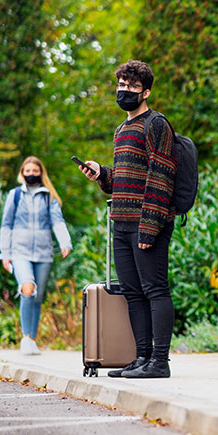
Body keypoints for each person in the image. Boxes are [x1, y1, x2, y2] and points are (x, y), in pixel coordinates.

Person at [79, 60, 177, 379]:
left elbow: (161, 177)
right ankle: (141, 358)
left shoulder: (156, 123)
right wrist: (102, 174)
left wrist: (149, 227)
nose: (124, 91)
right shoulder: (121, 129)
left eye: (132, 86)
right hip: (120, 223)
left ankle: (159, 362)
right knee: (132, 292)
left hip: (147, 224)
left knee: (155, 289)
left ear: (146, 91)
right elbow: (123, 178)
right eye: (121, 85)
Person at [0, 156, 73, 355]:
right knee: (28, 287)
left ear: (41, 173)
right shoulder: (14, 195)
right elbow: (6, 225)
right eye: (28, 171)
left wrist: (65, 242)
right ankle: (25, 338)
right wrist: (5, 254)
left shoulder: (48, 196)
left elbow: (58, 221)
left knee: (37, 297)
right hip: (19, 251)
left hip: (43, 252)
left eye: (35, 171)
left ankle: (32, 338)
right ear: (22, 173)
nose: (31, 174)